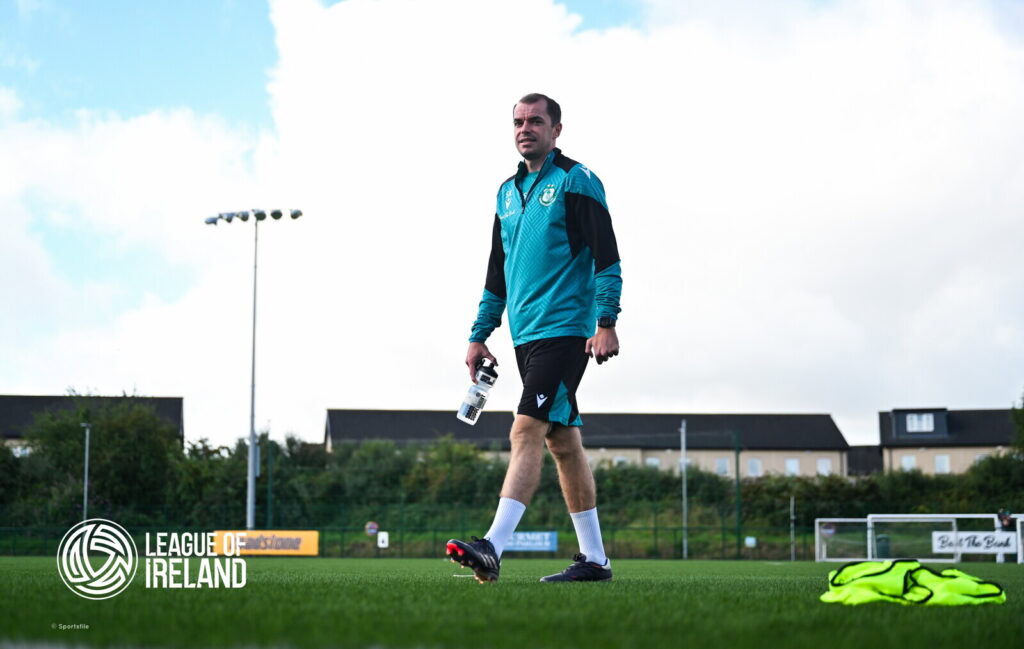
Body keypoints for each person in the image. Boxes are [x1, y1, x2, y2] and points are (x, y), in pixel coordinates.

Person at [445, 93, 623, 583]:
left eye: (536, 121)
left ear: (556, 129)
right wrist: (479, 334)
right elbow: (496, 274)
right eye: (518, 122)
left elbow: (607, 255)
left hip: (566, 330)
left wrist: (606, 320)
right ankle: (595, 560)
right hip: (526, 336)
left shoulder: (577, 180)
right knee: (562, 442)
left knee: (525, 430)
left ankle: (492, 546)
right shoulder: (506, 193)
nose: (525, 128)